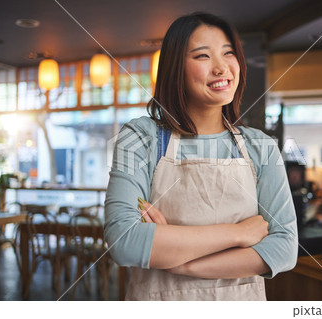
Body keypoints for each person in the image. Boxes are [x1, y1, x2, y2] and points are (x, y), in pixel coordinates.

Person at [104, 12, 298, 301]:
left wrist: (180, 261)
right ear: (174, 68)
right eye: (202, 56)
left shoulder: (261, 146)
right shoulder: (141, 137)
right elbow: (123, 241)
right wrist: (239, 234)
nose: (221, 68)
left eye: (228, 52)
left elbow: (284, 249)